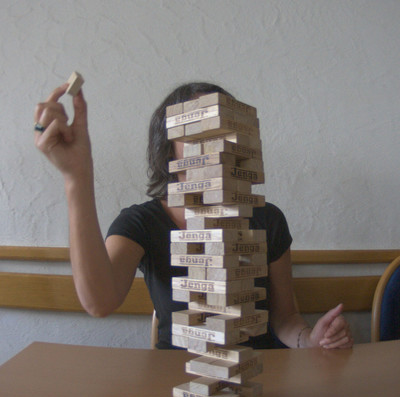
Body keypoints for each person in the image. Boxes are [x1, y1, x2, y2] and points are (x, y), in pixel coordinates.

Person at [34, 81, 353, 350]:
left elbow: (284, 319)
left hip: (261, 381)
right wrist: (76, 177)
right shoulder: (141, 223)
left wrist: (311, 339)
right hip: (177, 382)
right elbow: (98, 301)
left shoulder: (267, 219)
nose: (215, 146)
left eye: (225, 130)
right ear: (168, 149)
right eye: (196, 132)